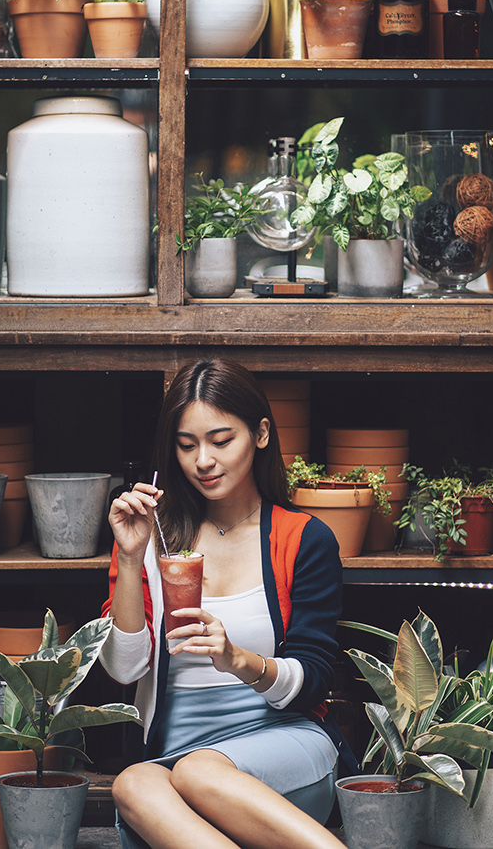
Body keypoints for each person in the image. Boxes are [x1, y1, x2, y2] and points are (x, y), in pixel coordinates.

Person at [101, 357, 354, 849]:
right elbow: (125, 671)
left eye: (221, 440)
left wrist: (238, 659)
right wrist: (131, 560)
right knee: (132, 782)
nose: (203, 461)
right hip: (175, 762)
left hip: (285, 751)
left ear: (260, 434)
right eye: (186, 444)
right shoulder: (149, 536)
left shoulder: (302, 538)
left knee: (201, 770)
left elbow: (313, 680)